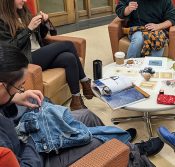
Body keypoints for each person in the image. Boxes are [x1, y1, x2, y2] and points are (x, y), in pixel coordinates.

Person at [0, 43, 164, 167]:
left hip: (27, 133)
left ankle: (125, 146)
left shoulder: (6, 96)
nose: (21, 90)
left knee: (87, 116)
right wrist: (36, 134)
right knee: (99, 142)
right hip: (39, 156)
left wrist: (15, 97)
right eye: (19, 86)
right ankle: (128, 152)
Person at [0, 0, 93, 110]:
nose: (25, 0)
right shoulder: (2, 20)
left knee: (69, 58)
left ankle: (76, 101)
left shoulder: (23, 11)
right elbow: (9, 48)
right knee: (68, 45)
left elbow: (46, 35)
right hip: (25, 59)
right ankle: (85, 81)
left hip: (40, 53)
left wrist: (45, 22)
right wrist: (28, 29)